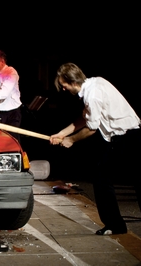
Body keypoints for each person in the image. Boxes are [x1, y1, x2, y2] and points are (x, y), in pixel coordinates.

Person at [50, 62, 141, 235]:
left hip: (128, 137)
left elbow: (92, 127)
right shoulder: (95, 83)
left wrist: (71, 140)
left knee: (105, 177)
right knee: (102, 177)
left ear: (73, 82)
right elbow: (85, 118)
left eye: (64, 85)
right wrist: (62, 133)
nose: (63, 89)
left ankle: (115, 225)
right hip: (120, 137)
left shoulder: (92, 95)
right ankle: (116, 226)